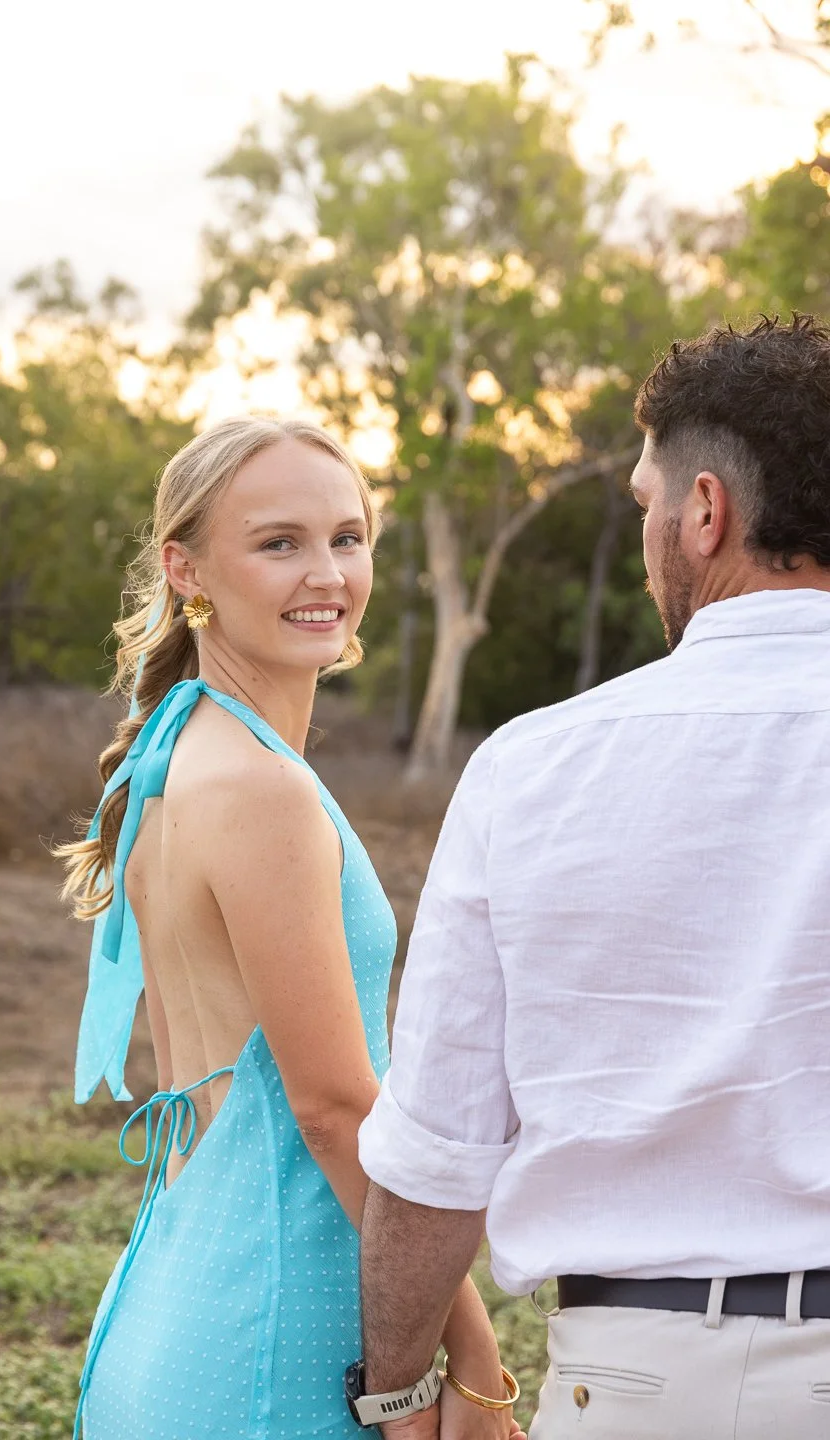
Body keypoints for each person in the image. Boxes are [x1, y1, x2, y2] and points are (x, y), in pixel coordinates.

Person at [356, 314, 830, 1440]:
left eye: (646, 500)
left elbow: (440, 1148)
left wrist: (402, 1391)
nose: (653, 524)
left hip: (635, 1391)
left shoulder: (532, 767)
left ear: (705, 513)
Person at [56, 416, 512, 1440]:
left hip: (175, 1313)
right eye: (279, 543)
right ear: (187, 569)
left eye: (346, 538)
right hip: (277, 1349)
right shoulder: (261, 791)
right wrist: (469, 1354)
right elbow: (338, 1111)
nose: (327, 574)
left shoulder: (174, 759)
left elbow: (205, 1091)